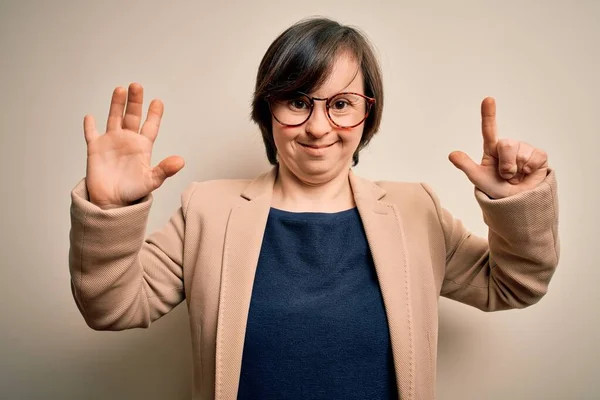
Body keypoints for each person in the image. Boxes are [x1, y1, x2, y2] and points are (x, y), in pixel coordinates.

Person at [68, 17, 559, 400]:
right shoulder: (207, 211)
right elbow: (111, 307)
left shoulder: (416, 210)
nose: (319, 127)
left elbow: (514, 285)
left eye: (342, 103)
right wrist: (109, 210)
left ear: (368, 115)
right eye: (297, 101)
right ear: (268, 111)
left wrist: (514, 204)